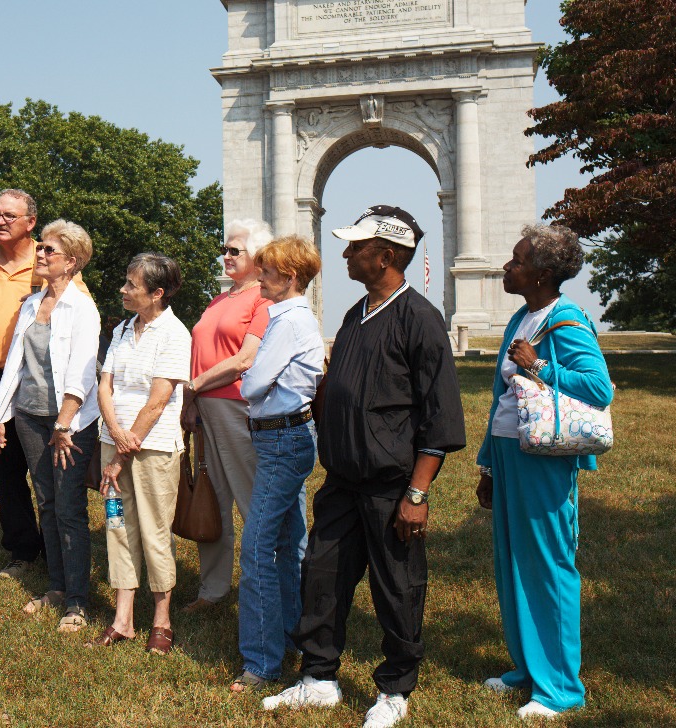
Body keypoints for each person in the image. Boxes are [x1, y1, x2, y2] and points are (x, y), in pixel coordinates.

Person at [264, 206, 466, 728]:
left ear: (387, 256)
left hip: (391, 486)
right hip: (342, 482)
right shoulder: (356, 315)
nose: (347, 254)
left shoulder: (420, 319)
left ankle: (396, 688)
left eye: (357, 247)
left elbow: (439, 418)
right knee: (323, 576)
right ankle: (318, 678)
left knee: (397, 587)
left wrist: (416, 495)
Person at [475, 225, 614, 720]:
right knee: (513, 562)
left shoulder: (567, 318)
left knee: (549, 565)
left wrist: (540, 367)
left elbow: (599, 388)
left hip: (545, 460)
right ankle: (529, 668)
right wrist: (488, 464)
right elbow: (501, 400)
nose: (508, 267)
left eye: (516, 260)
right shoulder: (522, 316)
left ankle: (560, 688)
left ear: (543, 272)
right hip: (511, 455)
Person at [0, 189, 87, 580]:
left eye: (10, 215)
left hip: (44, 379)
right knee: (7, 470)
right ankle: (23, 551)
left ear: (30, 224)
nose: (0, 220)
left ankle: (60, 546)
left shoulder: (51, 263)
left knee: (52, 469)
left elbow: (81, 318)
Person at [0, 220, 100, 634]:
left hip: (68, 425)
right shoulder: (32, 304)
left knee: (70, 509)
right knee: (47, 503)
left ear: (70, 262)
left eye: (49, 251)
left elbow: (82, 372)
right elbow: (16, 362)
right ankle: (56, 585)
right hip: (30, 419)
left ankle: (77, 602)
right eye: (41, 249)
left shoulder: (83, 308)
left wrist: (65, 423)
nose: (39, 255)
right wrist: (1, 417)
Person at [230, 236, 324, 692]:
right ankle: (291, 635)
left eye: (266, 272)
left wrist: (255, 382)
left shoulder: (287, 320)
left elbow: (252, 384)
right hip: (286, 436)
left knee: (258, 548)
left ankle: (262, 661)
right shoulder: (290, 317)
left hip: (282, 438)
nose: (259, 276)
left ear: (289, 279)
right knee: (289, 542)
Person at [91, 253, 191, 655]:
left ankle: (162, 621)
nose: (123, 290)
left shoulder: (175, 334)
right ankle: (124, 619)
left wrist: (122, 451)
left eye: (132, 285)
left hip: (152, 448)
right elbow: (104, 386)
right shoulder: (121, 330)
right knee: (117, 526)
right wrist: (114, 434)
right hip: (114, 441)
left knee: (153, 531)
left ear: (157, 293)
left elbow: (159, 399)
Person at [180, 219, 273, 613]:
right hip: (204, 411)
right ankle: (212, 591)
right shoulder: (219, 299)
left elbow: (245, 359)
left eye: (235, 250)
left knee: (250, 501)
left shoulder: (263, 299)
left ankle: (263, 590)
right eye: (226, 248)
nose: (226, 255)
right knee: (211, 500)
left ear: (258, 257)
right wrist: (190, 401)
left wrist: (196, 384)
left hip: (237, 408)